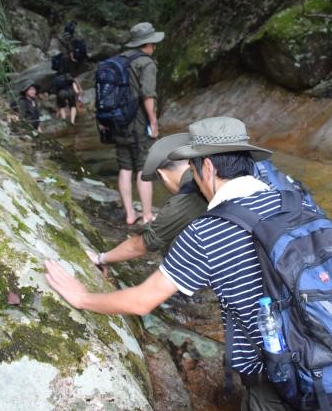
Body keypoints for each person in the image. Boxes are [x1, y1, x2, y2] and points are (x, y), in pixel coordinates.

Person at [45, 117, 315, 410]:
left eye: (195, 170)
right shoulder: (298, 202)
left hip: (279, 382)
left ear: (208, 168)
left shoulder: (208, 230)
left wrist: (83, 297)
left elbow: (141, 302)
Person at [86, 133, 206, 268]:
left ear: (162, 175)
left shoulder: (183, 200)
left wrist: (101, 258)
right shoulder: (211, 165)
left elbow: (141, 244)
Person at [114, 22, 163, 226]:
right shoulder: (146, 63)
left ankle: (129, 214)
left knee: (125, 167)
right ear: (148, 43)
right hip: (138, 122)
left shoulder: (119, 61)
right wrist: (153, 121)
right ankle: (147, 215)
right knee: (143, 168)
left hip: (117, 121)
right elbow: (147, 95)